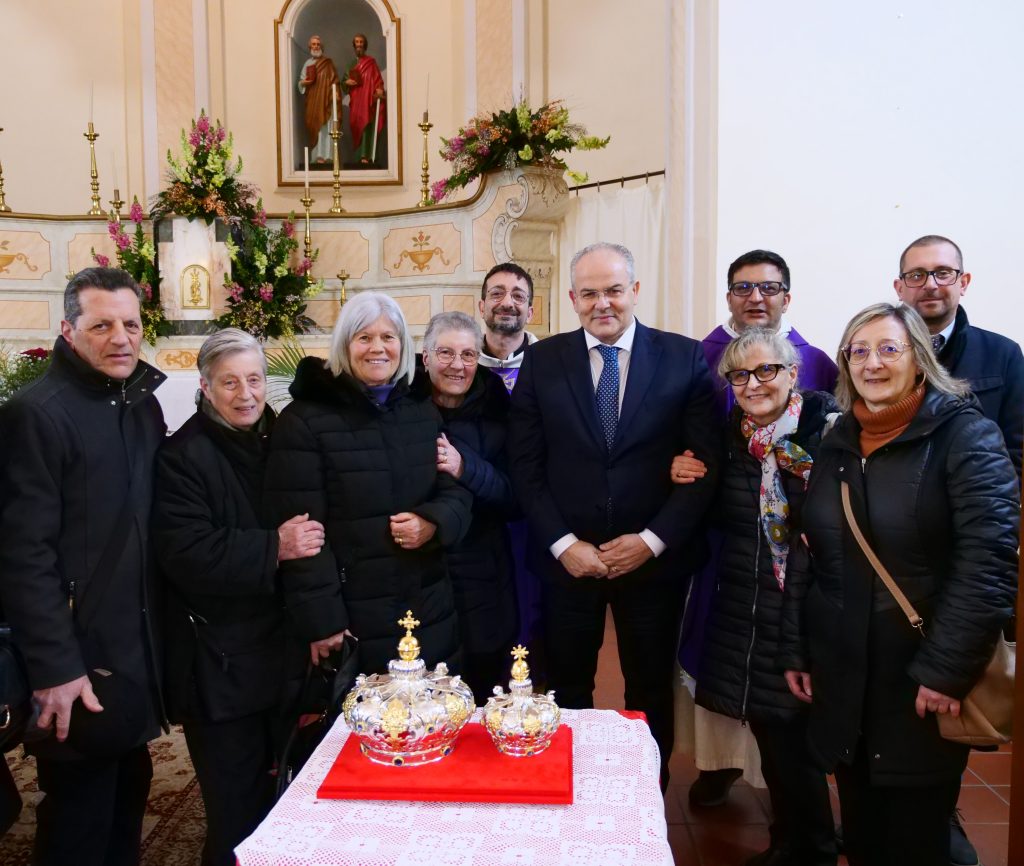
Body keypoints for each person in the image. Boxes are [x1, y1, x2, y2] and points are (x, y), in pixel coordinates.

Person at [780, 302, 1018, 866]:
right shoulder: (839, 442)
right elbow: (810, 554)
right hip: (844, 673)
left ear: (920, 356)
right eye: (858, 351)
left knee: (915, 836)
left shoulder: (966, 438)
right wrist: (799, 650)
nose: (872, 363)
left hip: (919, 682)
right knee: (862, 829)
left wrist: (944, 671)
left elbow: (987, 567)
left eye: (889, 349)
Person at [508, 242, 720, 783]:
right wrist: (563, 545)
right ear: (574, 298)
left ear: (635, 291)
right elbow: (525, 466)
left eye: (614, 290)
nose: (603, 303)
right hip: (567, 560)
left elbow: (704, 468)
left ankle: (645, 788)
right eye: (590, 293)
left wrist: (650, 541)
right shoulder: (542, 360)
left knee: (648, 686)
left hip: (652, 563)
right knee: (567, 684)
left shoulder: (685, 357)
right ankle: (567, 782)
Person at [0, 267, 167, 866]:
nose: (121, 337)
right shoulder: (37, 414)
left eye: (131, 324)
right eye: (102, 325)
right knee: (78, 816)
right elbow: (23, 555)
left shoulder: (140, 406)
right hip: (75, 659)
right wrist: (54, 669)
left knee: (128, 788)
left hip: (130, 651)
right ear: (69, 331)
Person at [153, 329, 325, 866]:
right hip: (220, 668)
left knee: (288, 800)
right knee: (235, 814)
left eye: (254, 379)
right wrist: (275, 545)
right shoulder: (181, 456)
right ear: (205, 387)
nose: (246, 394)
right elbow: (185, 552)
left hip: (283, 653)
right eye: (230, 382)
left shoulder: (280, 438)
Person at [680, 249, 839, 808]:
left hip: (796, 562)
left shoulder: (819, 363)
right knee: (723, 663)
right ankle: (719, 765)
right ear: (728, 297)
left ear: (786, 296)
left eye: (768, 288)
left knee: (788, 687)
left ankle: (797, 810)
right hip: (728, 549)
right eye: (743, 288)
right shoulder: (700, 356)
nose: (755, 298)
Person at [265, 292, 472, 677]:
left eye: (388, 337)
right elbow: (302, 534)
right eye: (364, 337)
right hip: (354, 614)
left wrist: (434, 522)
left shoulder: (420, 409)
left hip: (427, 607)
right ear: (345, 344)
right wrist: (322, 618)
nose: (378, 347)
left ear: (403, 346)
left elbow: (455, 492)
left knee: (434, 722)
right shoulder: (304, 420)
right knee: (364, 730)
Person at [416, 311, 519, 702]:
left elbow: (515, 499)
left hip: (483, 573)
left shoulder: (500, 411)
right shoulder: (402, 409)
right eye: (445, 353)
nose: (457, 365)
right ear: (425, 358)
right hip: (420, 573)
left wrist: (466, 467)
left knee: (479, 694)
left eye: (469, 355)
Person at [894, 234, 1023, 475]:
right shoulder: (874, 357)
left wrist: (990, 503)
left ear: (963, 283)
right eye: (916, 275)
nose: (930, 285)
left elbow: (1017, 451)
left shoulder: (1004, 354)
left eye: (943, 273)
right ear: (899, 288)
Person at [476, 262, 539, 393]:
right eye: (497, 293)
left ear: (529, 313)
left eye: (518, 296)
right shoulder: (463, 365)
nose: (507, 303)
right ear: (482, 308)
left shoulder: (549, 365)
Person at [341, 33, 385, 166]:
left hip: (368, 101)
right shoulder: (351, 64)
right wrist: (346, 83)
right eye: (357, 42)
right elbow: (343, 82)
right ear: (354, 45)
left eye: (361, 42)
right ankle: (358, 156)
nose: (359, 44)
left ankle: (367, 156)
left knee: (367, 128)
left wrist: (379, 90)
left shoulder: (371, 63)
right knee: (356, 125)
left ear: (364, 45)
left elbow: (378, 81)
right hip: (356, 102)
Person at [297, 34, 340, 164]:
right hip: (313, 101)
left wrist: (336, 94)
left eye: (318, 44)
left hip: (326, 100)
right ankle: (317, 156)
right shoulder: (307, 63)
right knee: (316, 127)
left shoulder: (328, 63)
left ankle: (328, 157)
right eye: (313, 44)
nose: (316, 46)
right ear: (310, 46)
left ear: (321, 46)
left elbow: (335, 81)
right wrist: (303, 83)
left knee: (326, 128)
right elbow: (301, 82)